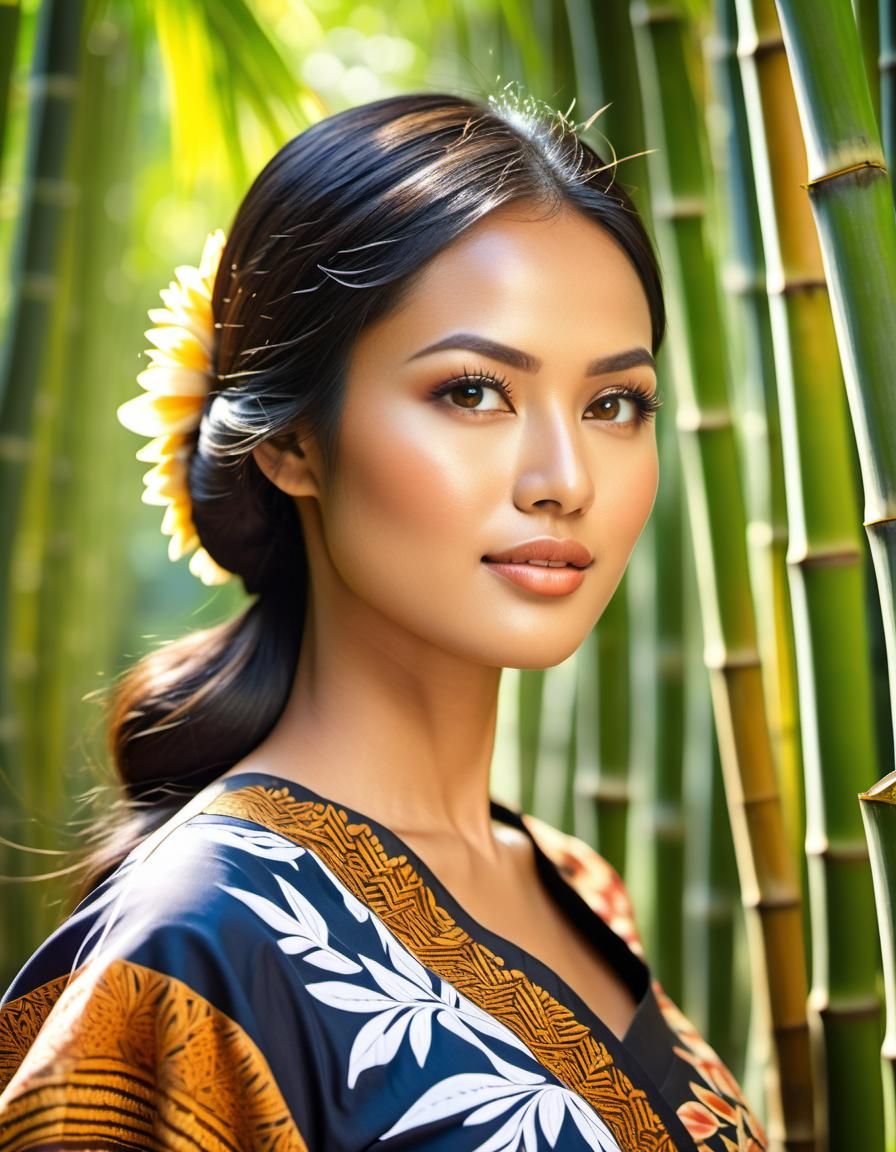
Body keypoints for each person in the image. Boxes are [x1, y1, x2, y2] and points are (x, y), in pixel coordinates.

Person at [0, 89, 765, 1152]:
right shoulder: (194, 947)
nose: (562, 478)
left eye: (612, 404)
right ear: (290, 444)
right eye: (471, 391)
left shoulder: (572, 882)